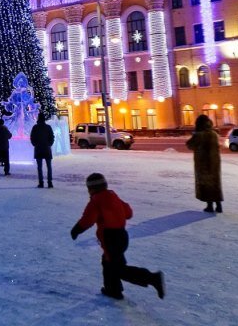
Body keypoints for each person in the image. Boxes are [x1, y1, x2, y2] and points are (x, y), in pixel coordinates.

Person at [70, 172, 165, 301]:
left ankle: (152, 278)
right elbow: (128, 212)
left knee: (118, 269)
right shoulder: (113, 196)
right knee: (108, 262)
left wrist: (76, 230)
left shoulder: (96, 201)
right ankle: (113, 289)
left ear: (91, 189)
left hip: (110, 239)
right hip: (122, 236)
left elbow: (88, 219)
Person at [185, 114, 224, 213]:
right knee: (215, 183)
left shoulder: (199, 135)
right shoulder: (214, 134)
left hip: (203, 163)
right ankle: (219, 206)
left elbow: (189, 145)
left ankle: (209, 206)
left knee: (206, 183)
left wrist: (194, 135)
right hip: (214, 163)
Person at [30, 112, 55, 188]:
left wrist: (35, 144)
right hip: (47, 148)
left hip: (38, 149)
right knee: (49, 166)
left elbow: (32, 137)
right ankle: (49, 182)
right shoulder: (48, 127)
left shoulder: (35, 127)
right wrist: (49, 144)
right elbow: (52, 137)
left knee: (39, 167)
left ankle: (41, 182)